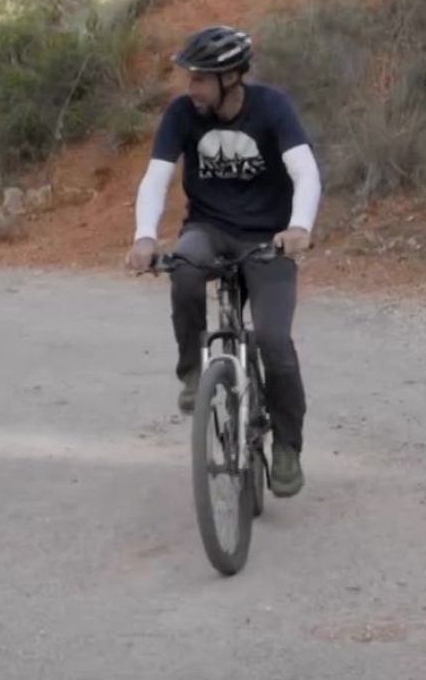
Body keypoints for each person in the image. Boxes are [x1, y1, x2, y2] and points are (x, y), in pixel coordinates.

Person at [125, 25, 321, 497]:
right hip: (209, 229)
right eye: (190, 78)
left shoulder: (272, 107)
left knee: (275, 343)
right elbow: (157, 179)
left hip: (268, 238)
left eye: (201, 79)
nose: (191, 89)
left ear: (232, 77)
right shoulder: (181, 114)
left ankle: (287, 446)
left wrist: (298, 228)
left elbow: (305, 171)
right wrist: (145, 236)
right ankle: (194, 371)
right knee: (185, 269)